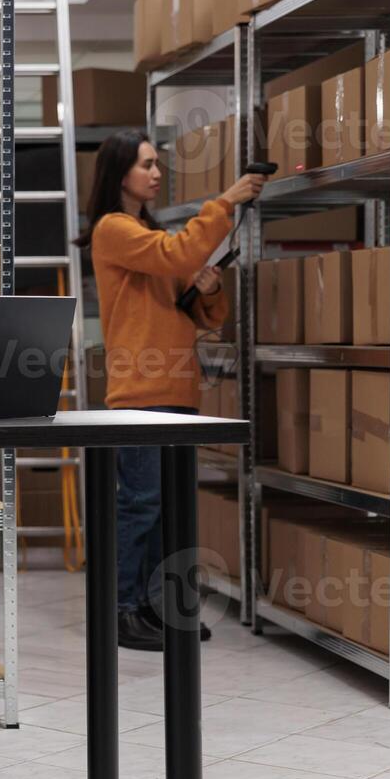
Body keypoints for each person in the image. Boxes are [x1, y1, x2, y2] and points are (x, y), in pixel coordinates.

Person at [75, 129, 266, 651]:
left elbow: (200, 310)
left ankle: (156, 606)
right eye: (146, 164)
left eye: (157, 163)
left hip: (176, 390)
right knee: (141, 504)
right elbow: (179, 253)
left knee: (167, 507)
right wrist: (224, 201)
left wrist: (208, 288)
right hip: (140, 393)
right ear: (120, 172)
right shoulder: (114, 230)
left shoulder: (147, 233)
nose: (156, 172)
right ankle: (121, 609)